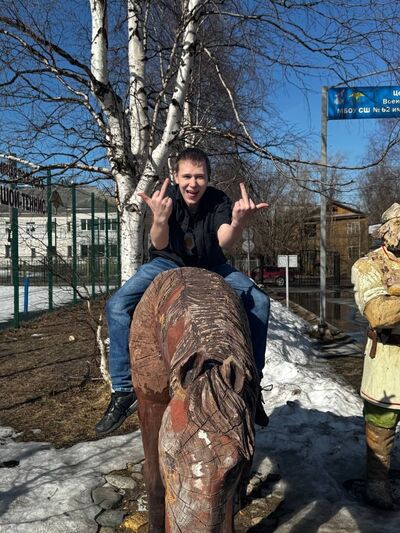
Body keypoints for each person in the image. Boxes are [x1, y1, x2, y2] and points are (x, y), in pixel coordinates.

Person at [96, 147, 270, 435]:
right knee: (117, 305)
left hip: (211, 265)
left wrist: (238, 223)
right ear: (175, 177)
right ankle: (123, 391)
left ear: (208, 179)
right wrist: (159, 219)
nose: (193, 183)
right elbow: (159, 243)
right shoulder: (167, 199)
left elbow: (225, 241)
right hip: (167, 262)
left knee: (260, 302)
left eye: (199, 177)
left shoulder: (218, 200)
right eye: (187, 176)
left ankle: (253, 385)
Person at [352, 202, 400, 509]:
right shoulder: (368, 265)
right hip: (387, 359)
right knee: (382, 421)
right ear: (387, 230)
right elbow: (379, 313)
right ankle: (377, 483)